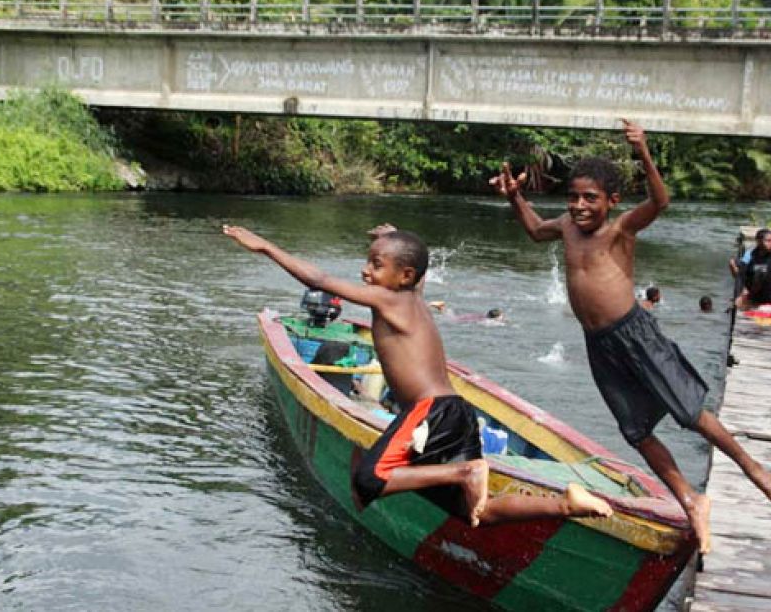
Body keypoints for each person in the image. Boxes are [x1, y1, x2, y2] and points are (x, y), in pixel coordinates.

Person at [493, 119, 771, 554]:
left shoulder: (620, 229)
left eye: (590, 198)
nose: (579, 206)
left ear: (612, 201)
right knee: (636, 430)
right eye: (573, 197)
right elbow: (537, 231)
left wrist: (643, 151)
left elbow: (660, 200)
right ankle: (690, 498)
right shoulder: (567, 227)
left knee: (688, 409)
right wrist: (516, 197)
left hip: (635, 333)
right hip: (600, 344)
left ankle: (753, 468)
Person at [223, 225, 612, 527]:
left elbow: (320, 281)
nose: (365, 270)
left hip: (429, 412)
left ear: (405, 275)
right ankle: (566, 504)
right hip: (456, 413)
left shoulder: (389, 298)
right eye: (369, 261)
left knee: (368, 480)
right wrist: (389, 238)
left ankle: (464, 471)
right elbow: (415, 270)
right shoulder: (413, 298)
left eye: (375, 264)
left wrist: (266, 247)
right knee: (477, 512)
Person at [731, 229, 771, 309]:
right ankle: (745, 295)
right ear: (759, 241)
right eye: (768, 241)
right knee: (734, 263)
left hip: (770, 293)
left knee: (761, 270)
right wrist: (737, 295)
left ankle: (747, 297)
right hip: (753, 291)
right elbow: (740, 277)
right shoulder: (749, 254)